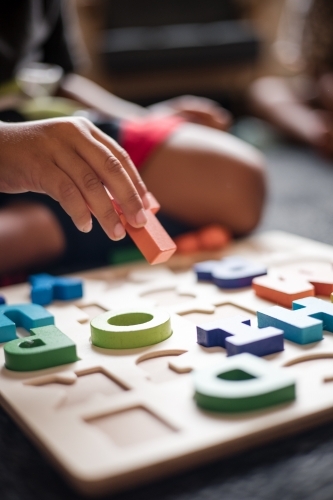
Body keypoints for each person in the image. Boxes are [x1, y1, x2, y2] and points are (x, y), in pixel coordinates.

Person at [0, 0, 266, 279]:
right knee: (23, 235)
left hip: (38, 120)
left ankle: (50, 225)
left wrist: (142, 117)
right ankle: (43, 228)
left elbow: (59, 76)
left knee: (236, 182)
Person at [248, 0, 333, 157]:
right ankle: (319, 134)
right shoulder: (318, 5)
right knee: (266, 89)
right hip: (323, 86)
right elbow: (316, 68)